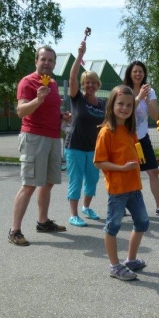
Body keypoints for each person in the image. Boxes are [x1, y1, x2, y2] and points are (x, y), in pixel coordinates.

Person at [9, 46, 72, 246]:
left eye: (50, 60)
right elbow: (21, 111)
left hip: (53, 137)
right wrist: (38, 99)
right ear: (36, 61)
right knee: (29, 184)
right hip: (34, 138)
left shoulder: (52, 83)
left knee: (48, 183)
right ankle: (14, 230)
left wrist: (62, 117)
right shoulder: (27, 82)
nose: (47, 63)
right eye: (43, 59)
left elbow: (50, 110)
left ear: (54, 64)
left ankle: (43, 222)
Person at [94, 85, 149, 281]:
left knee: (142, 222)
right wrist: (122, 168)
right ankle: (115, 266)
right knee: (113, 227)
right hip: (118, 189)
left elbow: (134, 150)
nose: (125, 108)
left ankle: (130, 260)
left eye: (129, 105)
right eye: (120, 104)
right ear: (112, 105)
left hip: (134, 187)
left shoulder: (129, 130)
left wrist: (139, 159)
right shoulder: (106, 132)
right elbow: (99, 162)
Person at [123, 61, 159, 217]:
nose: (138, 74)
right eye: (135, 71)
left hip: (142, 137)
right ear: (130, 73)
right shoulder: (124, 90)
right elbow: (125, 111)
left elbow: (155, 116)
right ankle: (120, 206)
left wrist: (146, 98)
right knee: (126, 173)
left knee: (153, 171)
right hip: (126, 138)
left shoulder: (150, 91)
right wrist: (139, 96)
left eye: (141, 71)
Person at [65, 40, 106, 227]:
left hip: (94, 148)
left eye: (93, 82)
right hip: (75, 146)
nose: (90, 85)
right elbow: (72, 77)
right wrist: (80, 55)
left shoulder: (103, 104)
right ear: (82, 85)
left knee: (92, 179)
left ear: (98, 85)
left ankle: (86, 207)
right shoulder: (78, 99)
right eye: (87, 82)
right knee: (76, 180)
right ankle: (73, 215)